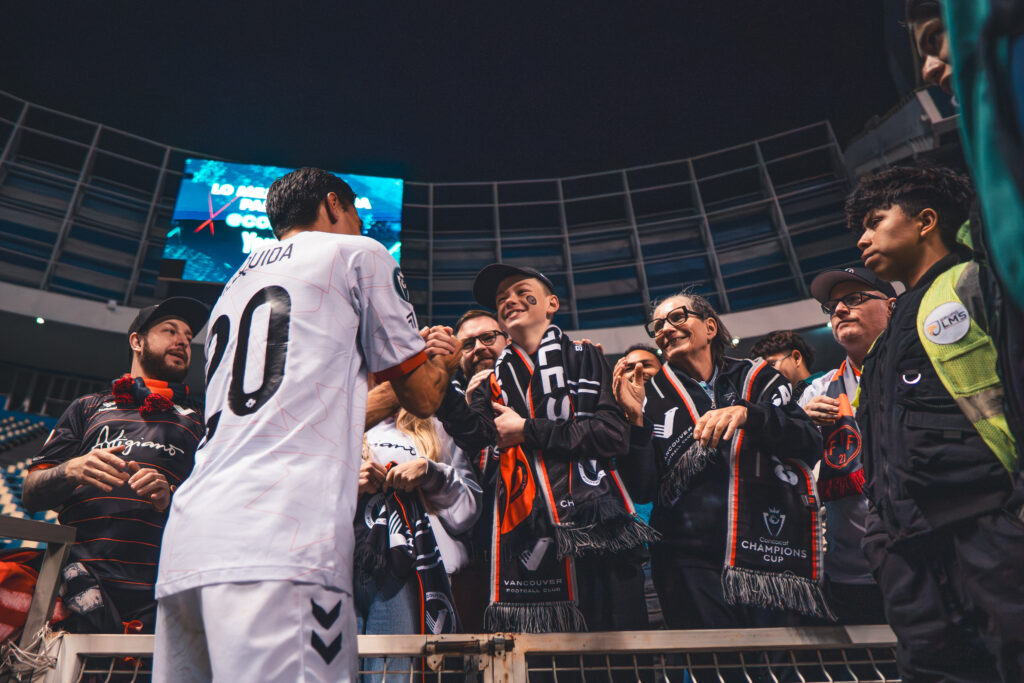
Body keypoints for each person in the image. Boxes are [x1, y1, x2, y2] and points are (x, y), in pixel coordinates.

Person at [152, 168, 460, 683]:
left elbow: (296, 409)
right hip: (282, 541)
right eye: (358, 212)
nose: (363, 223)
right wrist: (442, 362)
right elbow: (424, 395)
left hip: (189, 541)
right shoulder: (359, 253)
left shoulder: (234, 282)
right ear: (334, 204)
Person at [849, 165, 1024, 681]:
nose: (862, 238)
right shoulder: (888, 336)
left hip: (991, 527)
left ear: (926, 220)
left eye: (875, 221)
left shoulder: (978, 282)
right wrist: (880, 538)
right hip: (907, 549)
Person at [433, 263, 655, 634]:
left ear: (551, 303)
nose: (510, 300)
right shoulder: (490, 384)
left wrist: (526, 430)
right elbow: (476, 438)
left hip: (599, 533)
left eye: (521, 291)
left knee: (617, 659)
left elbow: (611, 435)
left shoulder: (584, 356)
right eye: (502, 299)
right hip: (530, 540)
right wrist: (437, 377)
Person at [614, 291, 827, 630]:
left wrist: (749, 415)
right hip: (688, 559)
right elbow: (642, 489)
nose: (665, 329)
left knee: (778, 666)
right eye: (657, 325)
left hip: (770, 550)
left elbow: (809, 443)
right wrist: (634, 420)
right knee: (714, 667)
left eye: (677, 318)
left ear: (710, 327)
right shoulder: (649, 398)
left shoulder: (761, 378)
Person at [21, 297, 209, 633]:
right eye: (170, 330)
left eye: (188, 335)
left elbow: (218, 505)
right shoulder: (87, 408)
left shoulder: (201, 421)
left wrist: (173, 496)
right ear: (136, 341)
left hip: (162, 589)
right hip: (73, 584)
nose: (183, 341)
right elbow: (31, 494)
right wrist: (71, 469)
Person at [355, 404, 481, 679]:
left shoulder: (437, 426)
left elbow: (468, 513)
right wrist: (350, 485)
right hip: (346, 569)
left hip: (410, 575)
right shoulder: (345, 423)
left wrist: (430, 474)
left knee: (391, 675)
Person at [800, 268, 896, 625]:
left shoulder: (922, 370)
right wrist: (803, 428)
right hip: (850, 572)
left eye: (854, 299)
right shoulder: (816, 392)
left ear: (891, 307)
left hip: (929, 557)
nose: (839, 309)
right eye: (833, 305)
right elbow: (796, 473)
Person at [748, 330, 815, 402]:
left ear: (796, 358)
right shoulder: (778, 403)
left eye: (772, 364)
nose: (767, 373)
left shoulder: (825, 385)